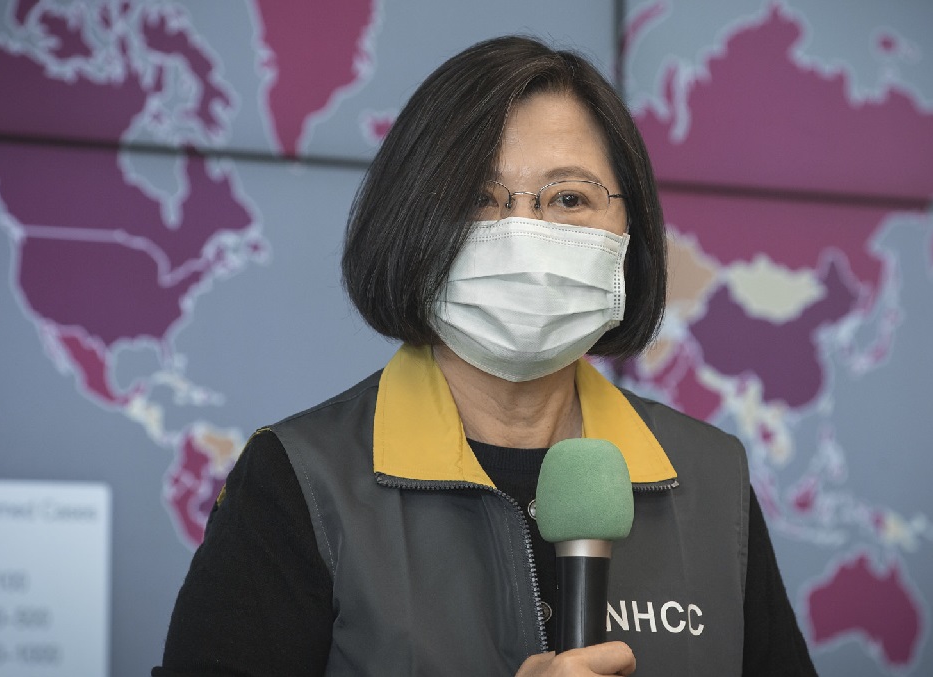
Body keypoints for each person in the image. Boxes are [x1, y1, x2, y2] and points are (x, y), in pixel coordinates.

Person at [154, 36, 817, 676]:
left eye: (569, 198)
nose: (526, 233)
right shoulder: (300, 481)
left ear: (628, 231)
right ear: (411, 225)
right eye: (480, 199)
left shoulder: (710, 479)